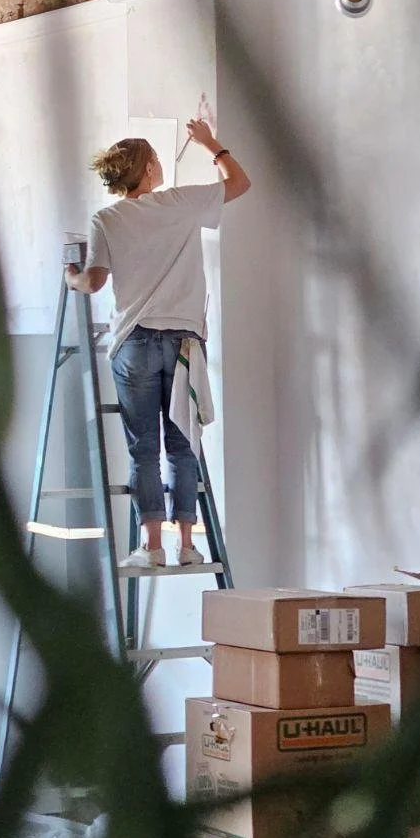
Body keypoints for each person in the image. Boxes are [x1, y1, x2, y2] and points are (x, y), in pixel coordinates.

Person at [65, 120, 251, 568]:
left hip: (135, 340)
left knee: (142, 446)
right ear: (149, 168)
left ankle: (151, 548)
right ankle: (187, 545)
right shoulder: (181, 203)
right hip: (185, 341)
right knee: (183, 443)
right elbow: (240, 183)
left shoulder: (106, 219)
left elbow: (93, 281)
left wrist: (70, 277)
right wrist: (210, 143)